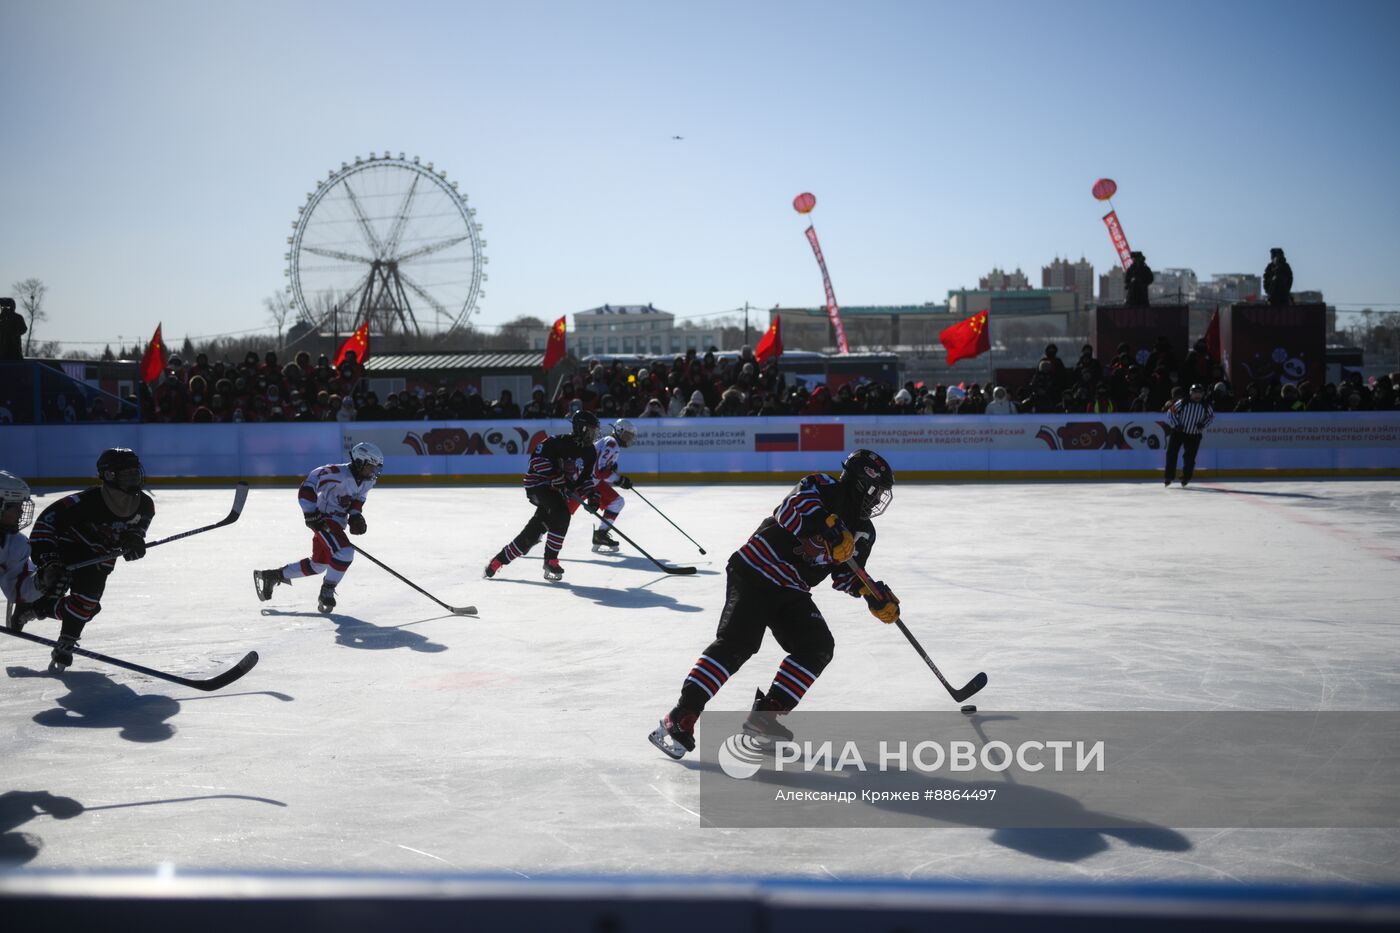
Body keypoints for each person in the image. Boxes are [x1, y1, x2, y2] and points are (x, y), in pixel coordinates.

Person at [649, 449, 898, 760]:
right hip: (756, 569)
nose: (877, 501)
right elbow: (789, 511)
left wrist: (873, 593)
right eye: (876, 491)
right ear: (860, 482)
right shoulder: (820, 485)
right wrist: (825, 524)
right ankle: (681, 717)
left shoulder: (864, 531)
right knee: (737, 644)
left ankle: (764, 721)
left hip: (792, 588)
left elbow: (846, 575)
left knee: (817, 646)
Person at [17, 449, 154, 671]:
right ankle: (49, 616)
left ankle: (39, 612)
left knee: (86, 606)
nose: (134, 478)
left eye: (134, 473)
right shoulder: (81, 503)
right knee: (67, 591)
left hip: (100, 560)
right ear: (109, 476)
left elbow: (137, 531)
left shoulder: (145, 505)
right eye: (126, 474)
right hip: (66, 552)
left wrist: (134, 542)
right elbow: (45, 524)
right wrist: (49, 560)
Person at [253, 442, 385, 613]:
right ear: (360, 461)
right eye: (371, 467)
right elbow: (307, 486)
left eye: (375, 468)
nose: (373, 472)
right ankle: (327, 590)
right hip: (323, 520)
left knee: (319, 564)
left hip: (338, 524)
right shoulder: (335, 473)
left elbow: (359, 500)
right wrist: (310, 513)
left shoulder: (367, 481)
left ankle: (272, 576)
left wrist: (355, 516)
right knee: (345, 552)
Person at [483, 410, 599, 582]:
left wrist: (592, 495)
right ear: (580, 428)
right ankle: (551, 559)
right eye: (590, 430)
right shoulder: (556, 442)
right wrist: (555, 476)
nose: (594, 435)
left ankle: (498, 560)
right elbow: (536, 461)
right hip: (538, 486)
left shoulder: (590, 452)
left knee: (534, 531)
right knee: (562, 512)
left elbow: (585, 478)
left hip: (557, 492)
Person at [3, 472, 65, 625]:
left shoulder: (16, 544)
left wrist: (41, 582)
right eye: (16, 506)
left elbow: (16, 589)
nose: (21, 512)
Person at [569, 418, 637, 553]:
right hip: (582, 483)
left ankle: (600, 535)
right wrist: (619, 480)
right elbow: (598, 471)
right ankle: (534, 535)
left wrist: (613, 472)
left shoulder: (610, 442)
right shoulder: (612, 443)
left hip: (591, 481)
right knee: (561, 513)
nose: (629, 439)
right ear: (619, 431)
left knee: (617, 502)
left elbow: (599, 468)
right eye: (627, 436)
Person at [1164, 384, 1214, 487]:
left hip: (1194, 435)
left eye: (1200, 393)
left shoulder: (1206, 405)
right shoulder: (1183, 402)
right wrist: (1176, 424)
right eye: (1195, 393)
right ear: (1191, 393)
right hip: (1178, 433)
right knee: (1171, 454)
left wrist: (1203, 424)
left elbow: (1211, 417)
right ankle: (1169, 476)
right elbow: (1171, 412)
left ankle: (1186, 477)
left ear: (1203, 394)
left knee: (1190, 457)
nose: (1197, 395)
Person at [0, 297, 25, 362]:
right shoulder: (1, 319)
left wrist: (15, 333)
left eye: (7, 306)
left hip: (15, 351)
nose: (4, 308)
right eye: (2, 307)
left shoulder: (17, 317)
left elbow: (23, 329)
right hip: (2, 353)